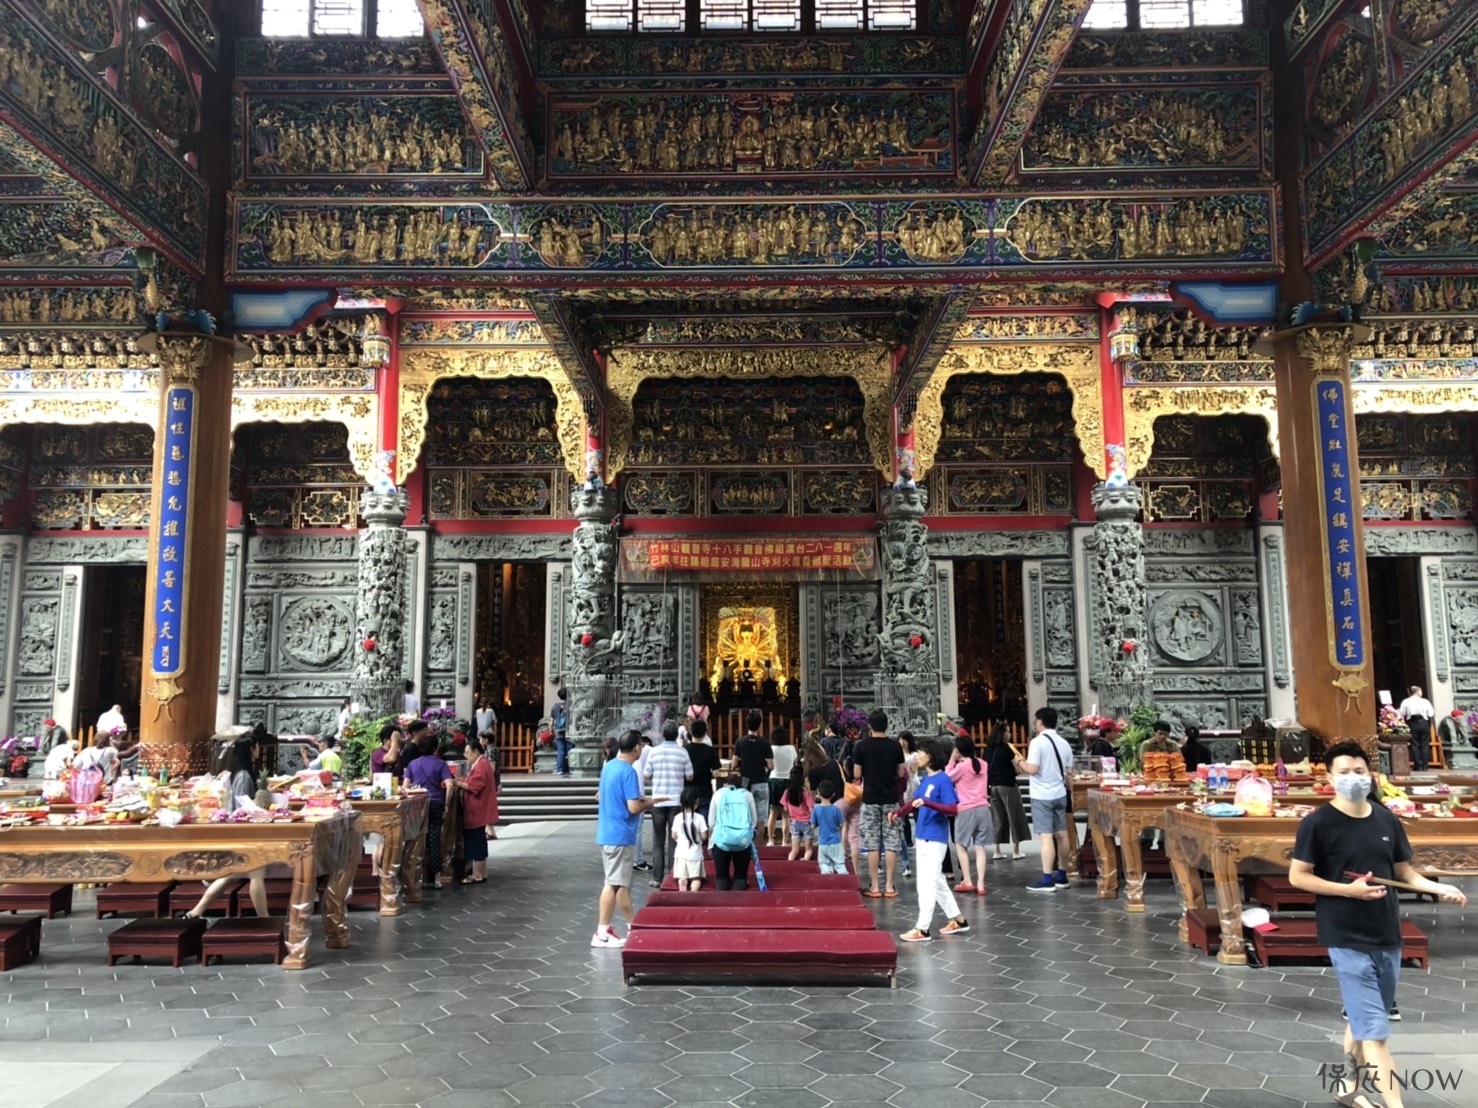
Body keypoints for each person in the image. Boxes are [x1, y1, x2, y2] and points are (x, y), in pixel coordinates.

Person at [1288, 741, 1466, 1108]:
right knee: (1377, 1034)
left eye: (1358, 771)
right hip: (1345, 935)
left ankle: (1348, 1083)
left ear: (1370, 774)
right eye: (1344, 772)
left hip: (1387, 933)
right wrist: (1348, 891)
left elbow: (1405, 874)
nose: (1353, 778)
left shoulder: (1386, 819)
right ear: (1329, 777)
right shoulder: (1317, 823)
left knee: (1366, 1018)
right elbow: (1298, 877)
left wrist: (1440, 886)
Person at [593, 731, 664, 947]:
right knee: (613, 884)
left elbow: (604, 795)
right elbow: (633, 806)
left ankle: (631, 926)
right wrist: (650, 802)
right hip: (620, 833)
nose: (642, 749)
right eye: (641, 745)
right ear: (635, 748)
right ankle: (602, 932)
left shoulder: (610, 767)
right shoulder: (629, 771)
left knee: (620, 884)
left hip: (608, 830)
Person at [894, 739, 968, 942]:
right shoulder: (927, 779)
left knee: (926, 884)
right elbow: (913, 803)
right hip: (922, 835)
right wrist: (897, 813)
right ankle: (959, 919)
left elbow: (952, 808)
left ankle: (923, 928)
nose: (918, 755)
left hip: (935, 837)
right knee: (937, 881)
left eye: (921, 752)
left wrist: (929, 803)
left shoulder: (943, 780)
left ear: (931, 756)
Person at [187, 741, 269, 919]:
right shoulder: (244, 776)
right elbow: (243, 805)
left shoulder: (236, 773)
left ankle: (195, 912)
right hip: (246, 831)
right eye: (256, 746)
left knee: (231, 874)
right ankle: (265, 920)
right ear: (250, 749)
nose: (258, 750)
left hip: (240, 830)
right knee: (256, 874)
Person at [848, 708, 906, 899]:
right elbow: (900, 773)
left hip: (870, 799)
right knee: (891, 842)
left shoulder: (861, 747)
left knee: (872, 844)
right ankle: (889, 886)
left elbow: (856, 774)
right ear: (887, 725)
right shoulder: (895, 747)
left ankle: (874, 886)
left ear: (869, 726)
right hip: (891, 799)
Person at [1017, 706, 1074, 892]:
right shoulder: (1064, 743)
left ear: (1040, 722)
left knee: (1046, 837)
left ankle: (1047, 878)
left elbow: (1033, 769)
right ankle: (1062, 875)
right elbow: (1070, 774)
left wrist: (1019, 762)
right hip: (1060, 793)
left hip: (1042, 795)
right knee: (1062, 835)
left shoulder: (1037, 742)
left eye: (1036, 721)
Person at [644, 720, 694, 888]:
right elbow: (689, 776)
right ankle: (674, 875)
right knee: (675, 840)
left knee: (658, 841)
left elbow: (646, 775)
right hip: (676, 801)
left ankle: (657, 877)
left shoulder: (654, 752)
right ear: (676, 735)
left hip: (658, 801)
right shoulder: (682, 752)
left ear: (663, 734)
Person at [403, 733, 452, 888]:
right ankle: (437, 877)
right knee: (435, 839)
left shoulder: (412, 764)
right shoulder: (441, 764)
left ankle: (415, 877)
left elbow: (405, 787)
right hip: (436, 802)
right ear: (435, 748)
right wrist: (447, 804)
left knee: (416, 840)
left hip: (417, 805)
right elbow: (449, 785)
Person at [948, 734, 992, 895]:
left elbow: (947, 778)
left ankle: (967, 880)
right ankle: (980, 884)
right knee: (980, 848)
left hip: (966, 809)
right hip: (983, 808)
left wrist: (952, 760)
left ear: (958, 751)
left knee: (961, 845)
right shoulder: (983, 764)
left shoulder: (961, 767)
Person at [454, 737, 498, 883]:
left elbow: (474, 786)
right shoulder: (483, 763)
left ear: (476, 751)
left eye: (468, 753)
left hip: (477, 809)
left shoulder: (481, 765)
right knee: (480, 841)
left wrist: (458, 783)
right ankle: (482, 872)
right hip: (480, 807)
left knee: (475, 842)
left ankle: (477, 874)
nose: (465, 756)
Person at [984, 724, 1029, 861]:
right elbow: (1018, 770)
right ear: (1002, 734)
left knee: (997, 818)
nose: (1009, 734)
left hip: (993, 786)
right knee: (1014, 815)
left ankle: (997, 850)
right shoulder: (1008, 749)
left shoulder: (988, 750)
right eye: (1007, 732)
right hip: (1008, 785)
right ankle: (1016, 850)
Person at [707, 769, 756, 891]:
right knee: (740, 877)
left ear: (725, 783)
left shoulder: (718, 794)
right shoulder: (747, 795)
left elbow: (711, 823)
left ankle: (722, 902)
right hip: (743, 841)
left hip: (721, 840)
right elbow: (753, 822)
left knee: (721, 878)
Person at [733, 710, 773, 842]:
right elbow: (771, 766)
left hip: (745, 782)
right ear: (760, 725)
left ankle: (745, 845)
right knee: (760, 818)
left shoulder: (740, 742)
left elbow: (733, 764)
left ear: (746, 725)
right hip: (761, 781)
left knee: (744, 815)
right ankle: (759, 849)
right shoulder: (765, 743)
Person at [671, 786, 708, 892]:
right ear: (697, 802)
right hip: (695, 854)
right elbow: (704, 836)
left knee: (682, 876)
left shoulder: (678, 817)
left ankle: (682, 882)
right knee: (696, 878)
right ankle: (693, 891)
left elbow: (673, 835)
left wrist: (680, 840)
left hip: (680, 854)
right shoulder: (700, 818)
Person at [766, 727, 796, 848]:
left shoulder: (771, 749)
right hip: (788, 781)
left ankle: (770, 840)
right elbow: (795, 761)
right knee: (786, 814)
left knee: (772, 812)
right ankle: (784, 841)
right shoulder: (791, 748)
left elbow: (768, 764)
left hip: (774, 780)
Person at [684, 718, 721, 811]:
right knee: (703, 823)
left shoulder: (684, 750)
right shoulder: (710, 750)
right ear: (705, 733)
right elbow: (716, 772)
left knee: (688, 822)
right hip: (705, 791)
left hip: (687, 790)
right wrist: (710, 775)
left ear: (691, 732)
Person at [782, 763, 815, 862]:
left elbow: (784, 808)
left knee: (794, 850)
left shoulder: (787, 792)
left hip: (794, 823)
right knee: (808, 848)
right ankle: (805, 859)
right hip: (807, 823)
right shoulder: (806, 793)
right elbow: (811, 809)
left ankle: (790, 862)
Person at [1397, 685, 1434, 772]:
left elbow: (1402, 713)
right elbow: (1431, 714)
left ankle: (1418, 765)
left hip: (1412, 723)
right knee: (1425, 745)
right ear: (1418, 692)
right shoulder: (1425, 702)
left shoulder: (1406, 701)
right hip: (1423, 723)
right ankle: (1425, 766)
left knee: (1415, 745)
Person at [813, 780, 846, 875]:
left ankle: (828, 880)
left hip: (823, 842)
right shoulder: (836, 810)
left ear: (818, 792)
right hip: (836, 842)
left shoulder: (816, 809)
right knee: (840, 864)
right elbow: (841, 825)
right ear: (833, 794)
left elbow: (812, 825)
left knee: (824, 864)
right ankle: (844, 879)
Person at [551, 687, 572, 776]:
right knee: (571, 750)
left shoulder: (555, 706)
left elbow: (552, 720)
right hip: (569, 731)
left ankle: (559, 769)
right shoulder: (571, 705)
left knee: (561, 751)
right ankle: (572, 768)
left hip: (559, 732)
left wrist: (551, 729)